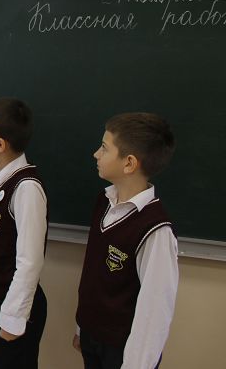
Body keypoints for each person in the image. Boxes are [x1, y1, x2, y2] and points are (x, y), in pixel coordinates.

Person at [74, 113, 177, 369]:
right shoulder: (104, 201)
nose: (96, 154)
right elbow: (93, 274)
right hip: (92, 336)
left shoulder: (155, 229)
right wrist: (81, 327)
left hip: (122, 351)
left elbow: (154, 311)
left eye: (104, 148)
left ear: (129, 163)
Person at [0, 97, 48, 369]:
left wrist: (14, 317)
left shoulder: (26, 188)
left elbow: (30, 260)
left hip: (9, 306)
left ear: (0, 144)